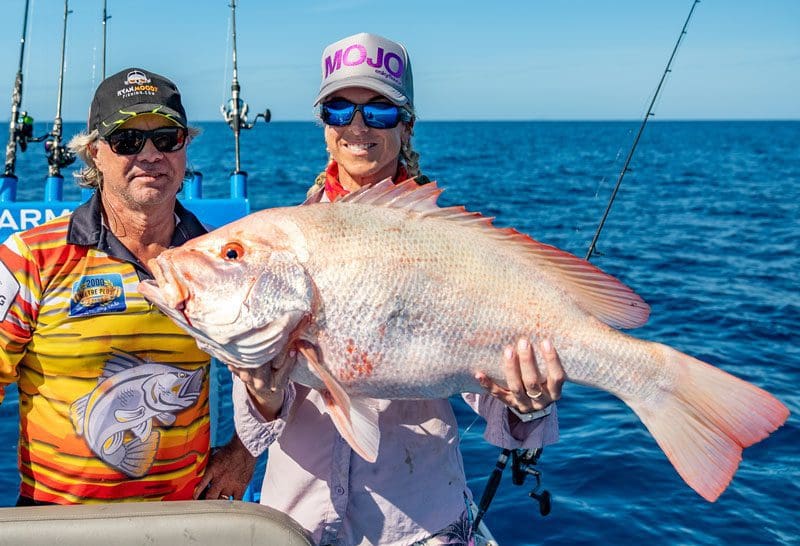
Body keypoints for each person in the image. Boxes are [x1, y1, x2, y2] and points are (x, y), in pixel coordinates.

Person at [230, 33, 565, 545]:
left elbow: (501, 407)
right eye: (340, 109)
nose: (357, 126)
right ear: (324, 127)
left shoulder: (447, 247)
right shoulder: (281, 242)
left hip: (417, 524)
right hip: (296, 523)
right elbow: (256, 429)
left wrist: (528, 404)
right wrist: (262, 395)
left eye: (380, 111)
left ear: (406, 126)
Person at [0, 67, 255, 505]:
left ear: (184, 147)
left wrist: (244, 454)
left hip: (185, 524)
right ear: (95, 153)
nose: (150, 154)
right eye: (127, 141)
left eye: (166, 138)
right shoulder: (28, 258)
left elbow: (274, 373)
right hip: (53, 523)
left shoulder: (220, 261)